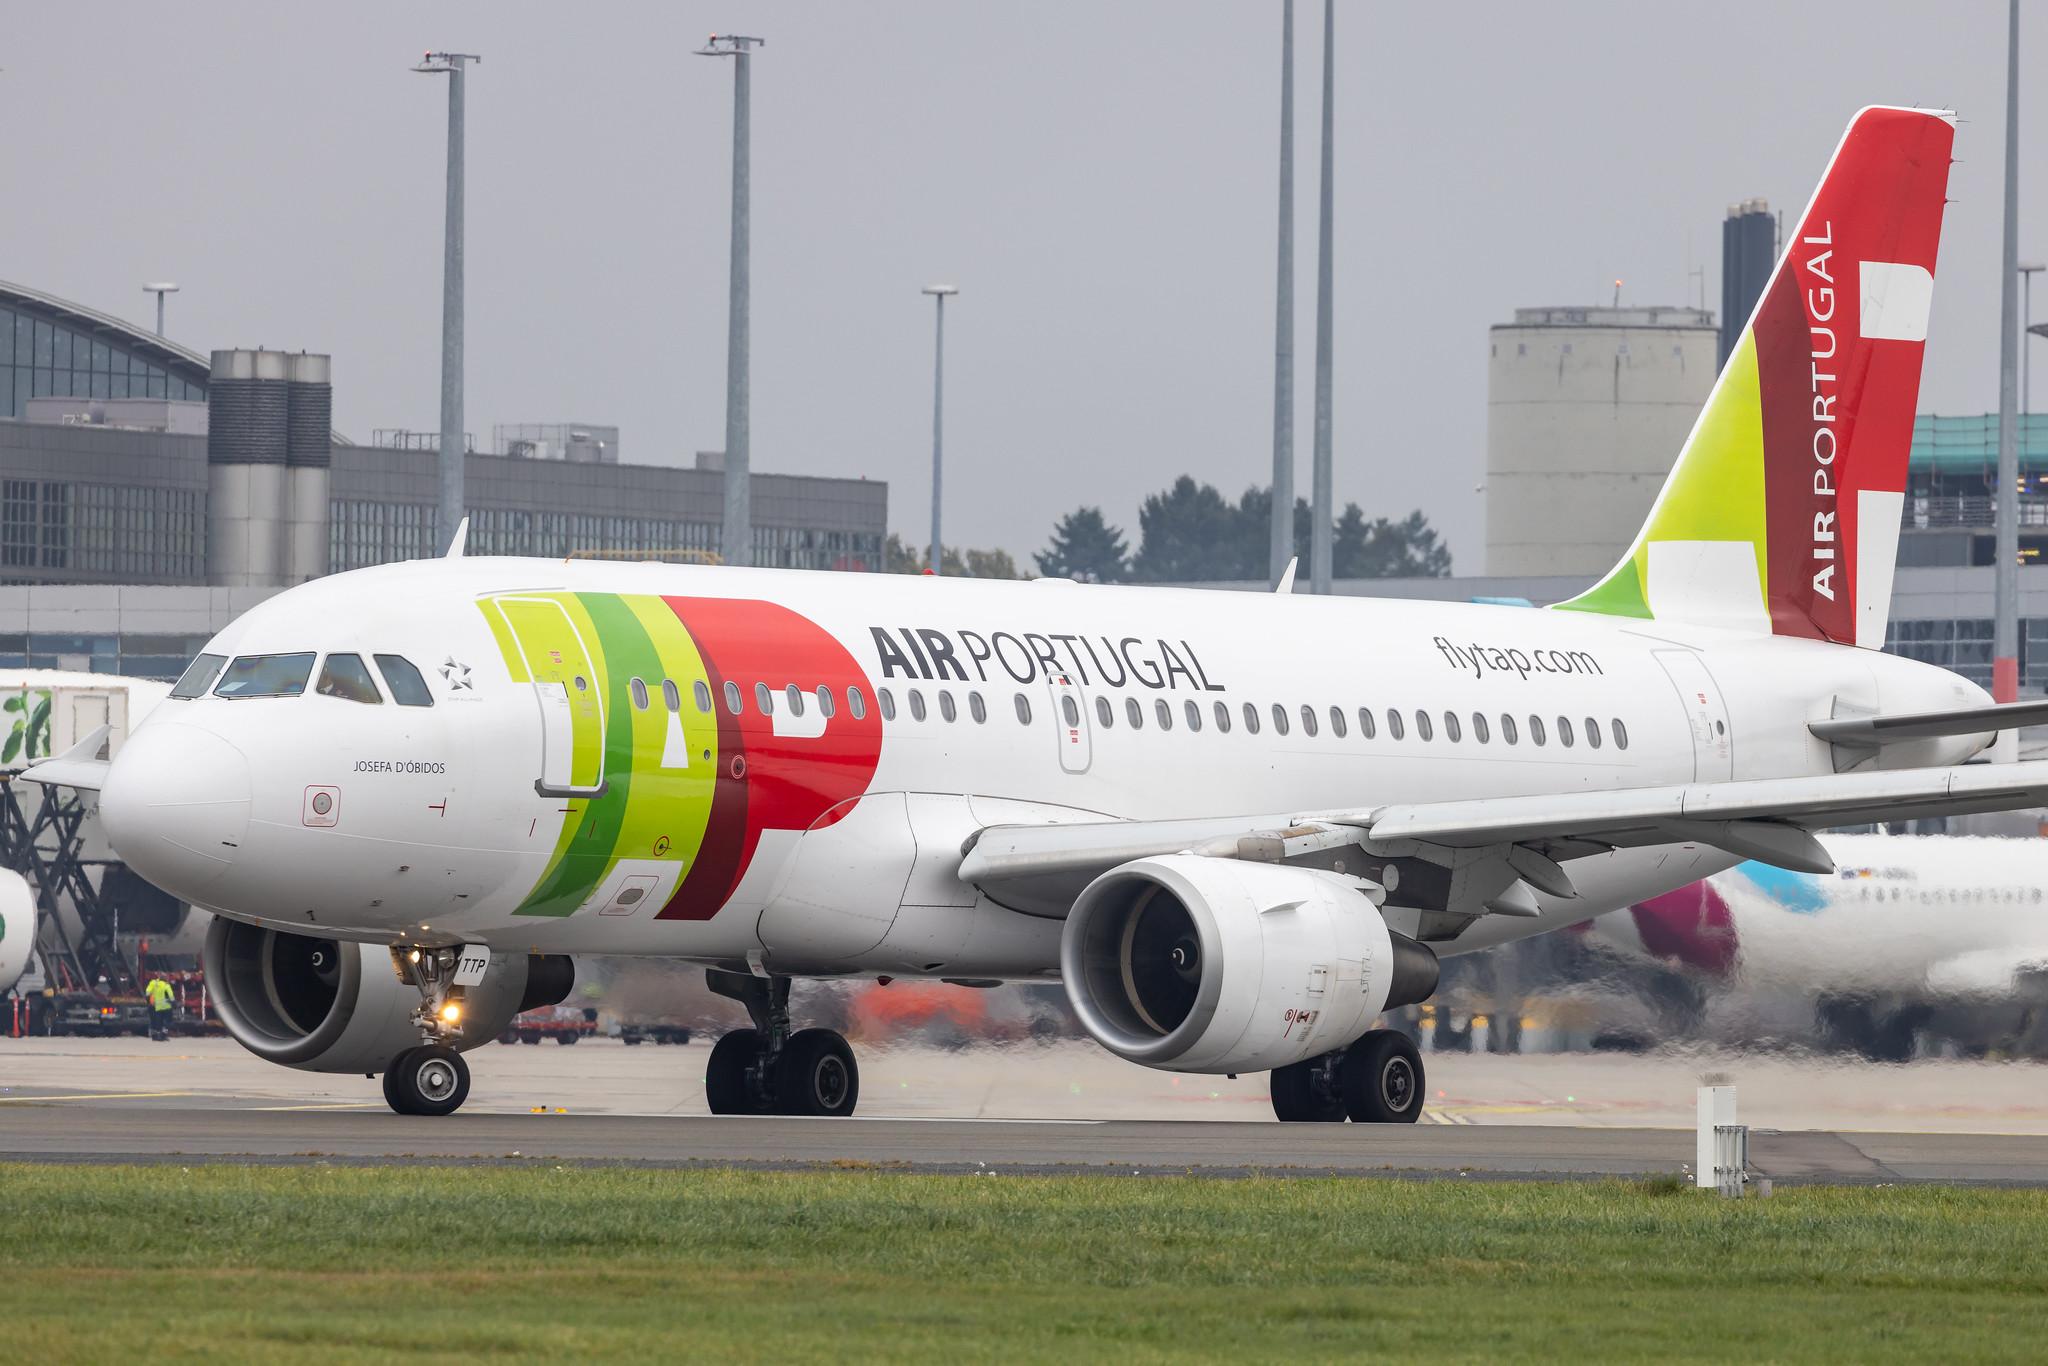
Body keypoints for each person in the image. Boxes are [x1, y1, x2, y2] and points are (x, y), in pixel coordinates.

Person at [144, 974, 175, 1042]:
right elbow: (171, 996)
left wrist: (148, 1000)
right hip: (166, 1007)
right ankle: (163, 1035)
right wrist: (173, 1003)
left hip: (155, 1006)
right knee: (167, 1022)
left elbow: (147, 993)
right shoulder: (166, 985)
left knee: (155, 1021)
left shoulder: (153, 983)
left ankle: (155, 1036)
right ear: (166, 979)